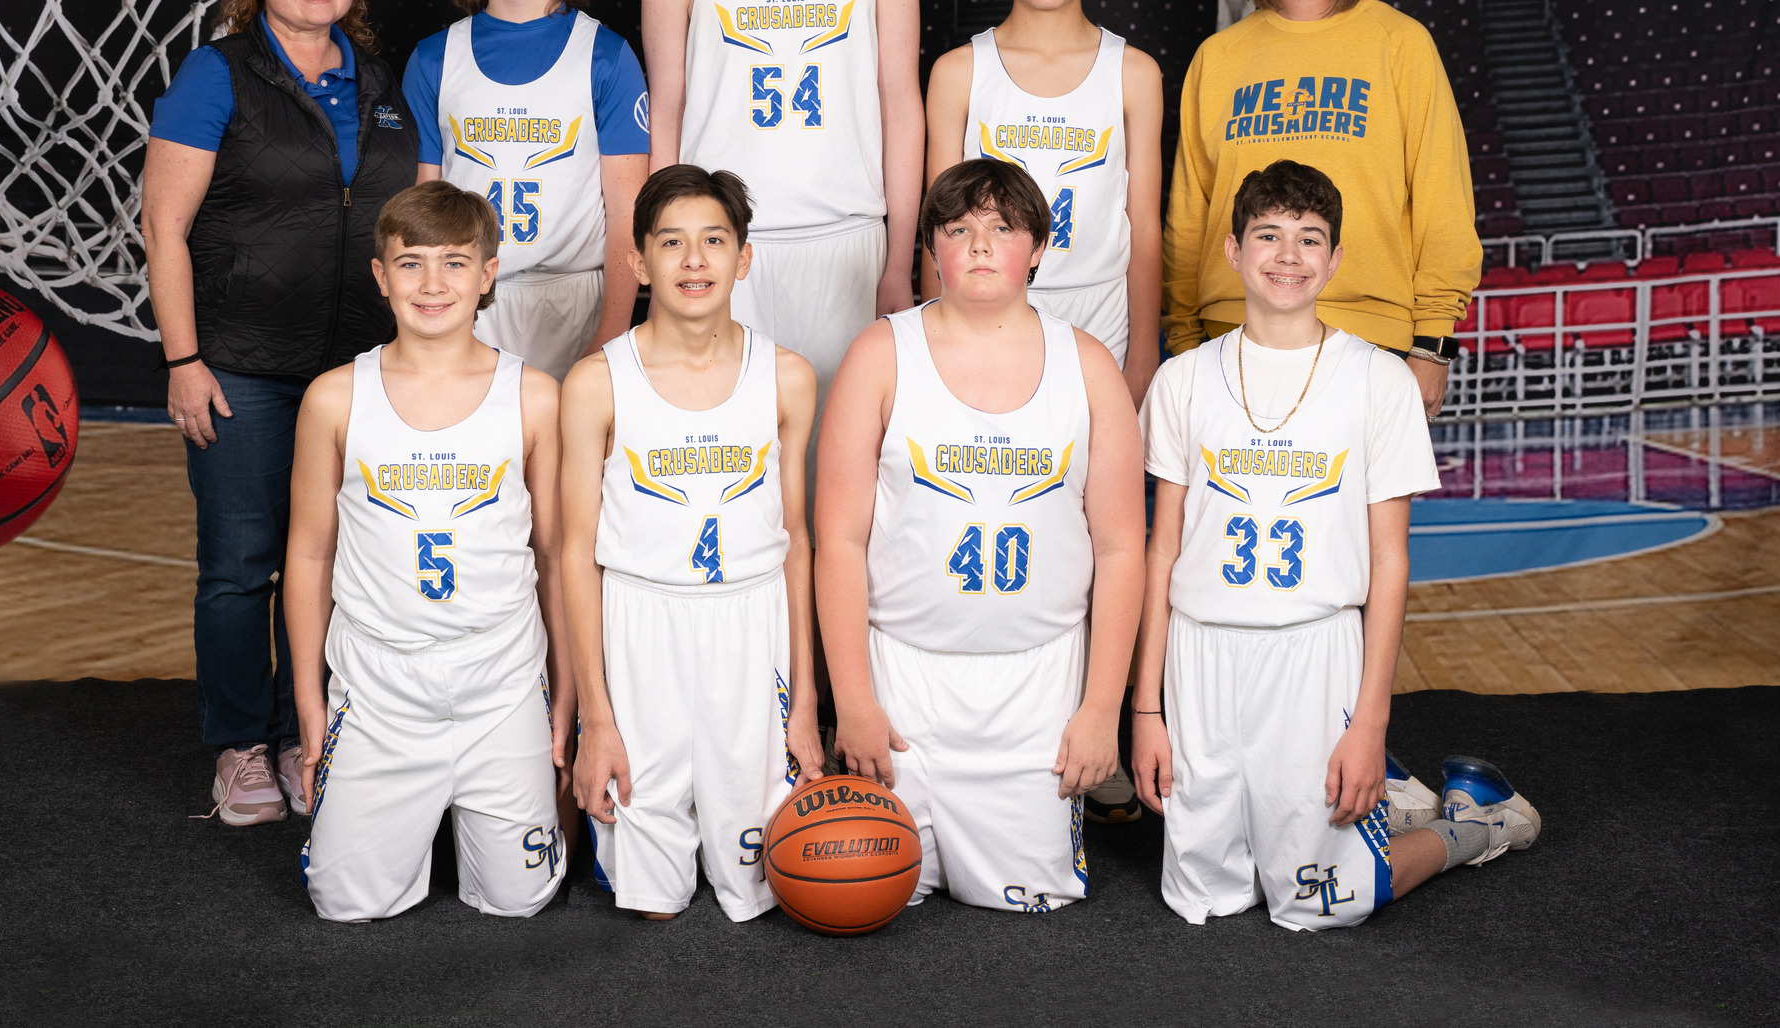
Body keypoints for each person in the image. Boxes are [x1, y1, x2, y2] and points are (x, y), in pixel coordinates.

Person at [1130, 161, 1540, 931]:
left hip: (1314, 654)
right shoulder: (1183, 380)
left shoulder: (1378, 381)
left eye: (1310, 238)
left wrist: (1370, 725)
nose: (1288, 255)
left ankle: (1477, 823)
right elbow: (1161, 552)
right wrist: (1146, 708)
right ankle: (1368, 813)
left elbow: (1390, 562)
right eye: (1269, 235)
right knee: (1204, 896)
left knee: (1325, 902)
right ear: (1233, 250)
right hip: (1199, 656)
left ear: (1336, 258)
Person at [141, 0, 417, 826]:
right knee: (239, 565)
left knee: (343, 562)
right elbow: (164, 229)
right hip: (241, 369)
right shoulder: (216, 73)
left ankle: (313, 734)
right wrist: (185, 360)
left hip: (358, 374)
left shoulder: (381, 83)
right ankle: (240, 745)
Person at [815, 159, 1146, 913]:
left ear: (1039, 246)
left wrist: (1102, 709)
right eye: (959, 229)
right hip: (903, 681)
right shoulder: (880, 354)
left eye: (1002, 227)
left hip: (1037, 686)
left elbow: (1123, 549)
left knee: (1028, 904)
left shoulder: (1088, 366)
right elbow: (838, 542)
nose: (981, 245)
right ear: (932, 247)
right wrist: (854, 702)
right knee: (874, 896)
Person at [641, 0, 923, 493]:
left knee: (845, 477)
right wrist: (666, 248)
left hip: (849, 242)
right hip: (723, 248)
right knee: (729, 470)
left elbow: (902, 106)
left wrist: (899, 260)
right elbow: (665, 114)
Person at [283, 182, 570, 922]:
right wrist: (311, 704)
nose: (433, 283)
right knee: (343, 904)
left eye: (455, 262)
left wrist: (566, 691)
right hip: (380, 682)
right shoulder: (334, 398)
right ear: (381, 276)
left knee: (522, 899)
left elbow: (554, 555)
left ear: (488, 273)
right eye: (411, 263)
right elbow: (309, 557)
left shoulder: (534, 396)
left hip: (500, 678)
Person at [561, 165, 824, 921]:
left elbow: (797, 542)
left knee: (768, 887)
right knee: (654, 904)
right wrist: (596, 717)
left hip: (752, 626)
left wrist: (805, 700)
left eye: (714, 240)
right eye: (671, 242)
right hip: (640, 624)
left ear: (744, 258)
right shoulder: (596, 382)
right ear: (639, 263)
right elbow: (575, 553)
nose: (695, 260)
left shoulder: (787, 377)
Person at [1163, 0, 1482, 418]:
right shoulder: (1219, 57)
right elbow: (1191, 214)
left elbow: (1444, 202)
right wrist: (1186, 340)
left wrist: (1432, 344)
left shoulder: (1400, 44)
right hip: (1230, 336)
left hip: (1367, 339)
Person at [924, 0, 1164, 407]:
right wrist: (933, 329)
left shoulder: (1134, 73)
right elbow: (939, 223)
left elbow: (1144, 226)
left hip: (1100, 308)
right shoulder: (959, 72)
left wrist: (1145, 354)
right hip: (983, 303)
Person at [405, 0, 650, 380]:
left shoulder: (606, 56)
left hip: (577, 300)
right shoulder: (433, 59)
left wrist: (612, 334)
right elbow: (423, 208)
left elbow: (627, 214)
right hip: (465, 303)